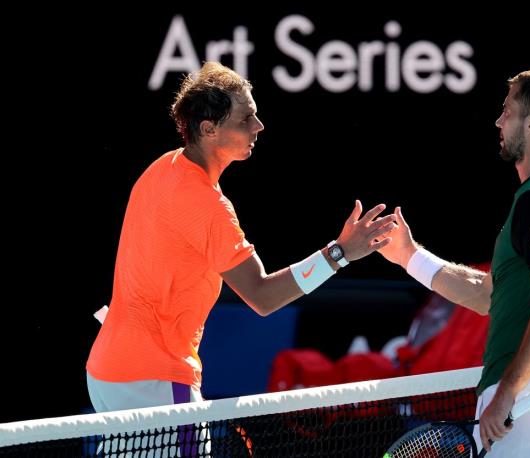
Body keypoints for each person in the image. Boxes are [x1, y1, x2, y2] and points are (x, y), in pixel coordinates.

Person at [86, 62, 396, 415]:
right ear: (209, 129)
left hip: (107, 372)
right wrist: (340, 253)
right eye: (245, 119)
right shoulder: (206, 205)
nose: (258, 126)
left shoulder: (164, 167)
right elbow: (262, 296)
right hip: (152, 379)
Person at [377, 69, 530, 457]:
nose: (498, 121)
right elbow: (488, 295)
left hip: (529, 396)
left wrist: (507, 392)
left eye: (507, 111)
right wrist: (409, 257)